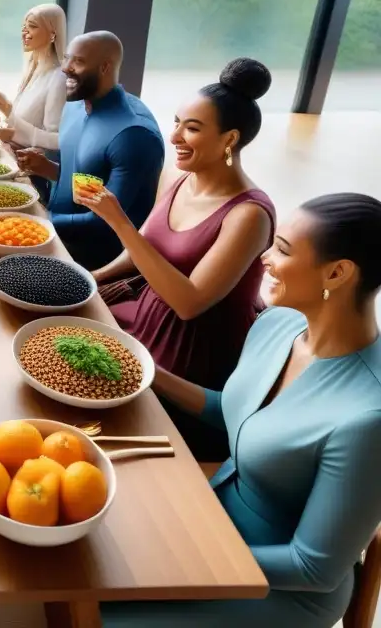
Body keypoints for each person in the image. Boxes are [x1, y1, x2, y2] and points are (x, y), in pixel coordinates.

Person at [103, 193, 381, 628]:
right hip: (213, 514)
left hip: (280, 586)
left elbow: (313, 568)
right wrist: (147, 370)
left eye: (283, 249)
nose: (265, 258)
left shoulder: (369, 416)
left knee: (91, 610)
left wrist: (175, 558)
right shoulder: (277, 324)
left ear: (338, 272)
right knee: (79, 568)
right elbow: (240, 415)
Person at [78, 58, 276, 461]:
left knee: (110, 417)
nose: (174, 137)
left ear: (230, 139)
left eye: (192, 128)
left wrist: (119, 221)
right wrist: (89, 278)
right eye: (176, 122)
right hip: (144, 312)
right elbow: (143, 251)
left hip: (190, 349)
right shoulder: (182, 177)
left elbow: (189, 303)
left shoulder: (248, 214)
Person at [16, 31, 164, 270]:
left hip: (93, 263)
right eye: (66, 58)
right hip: (54, 237)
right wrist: (48, 169)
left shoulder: (134, 135)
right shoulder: (75, 106)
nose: (65, 68)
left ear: (105, 68)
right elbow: (90, 180)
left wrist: (38, 220)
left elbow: (106, 220)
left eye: (78, 61)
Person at [0, 3, 68, 205]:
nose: (25, 31)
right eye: (23, 26)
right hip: (11, 158)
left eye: (32, 26)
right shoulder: (33, 68)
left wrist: (12, 128)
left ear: (53, 33)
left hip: (31, 176)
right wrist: (4, 109)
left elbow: (58, 142)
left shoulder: (58, 78)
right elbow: (25, 122)